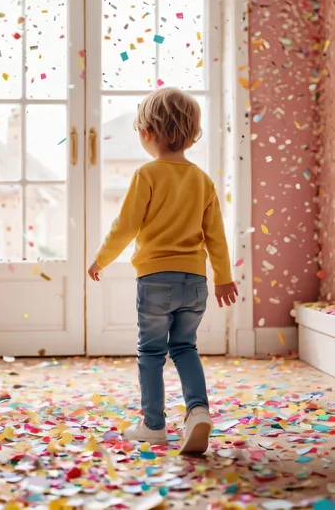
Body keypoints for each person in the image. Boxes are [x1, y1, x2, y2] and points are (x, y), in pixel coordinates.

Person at [87, 87, 238, 453]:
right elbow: (215, 235)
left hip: (156, 281)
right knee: (185, 346)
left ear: (148, 133)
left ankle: (153, 425)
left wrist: (101, 259)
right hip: (196, 282)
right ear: (191, 133)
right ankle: (198, 411)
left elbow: (125, 226)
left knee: (151, 353)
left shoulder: (147, 174)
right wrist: (223, 277)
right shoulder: (202, 179)